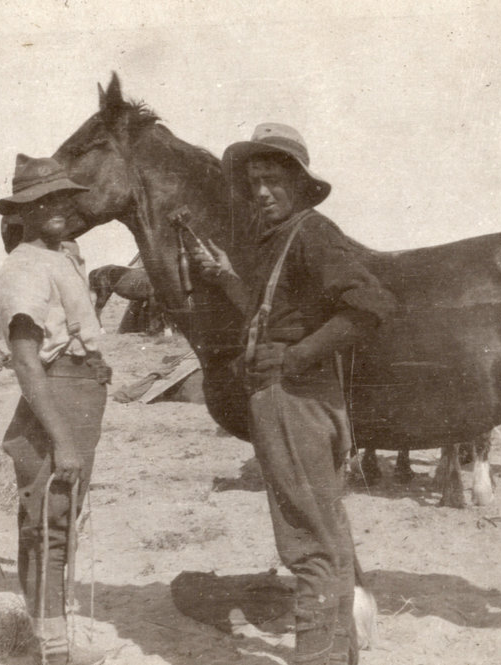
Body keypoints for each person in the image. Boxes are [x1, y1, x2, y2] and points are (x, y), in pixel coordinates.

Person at [194, 123, 396, 665]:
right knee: (326, 534)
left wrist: (295, 357)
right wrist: (224, 277)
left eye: (275, 180)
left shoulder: (312, 233)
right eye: (254, 181)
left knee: (307, 545)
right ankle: (340, 654)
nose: (261, 191)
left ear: (301, 184)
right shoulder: (280, 239)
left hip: (294, 398)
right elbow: (273, 315)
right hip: (297, 397)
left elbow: (370, 304)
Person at [0, 154, 112, 665]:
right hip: (57, 399)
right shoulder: (23, 268)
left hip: (78, 395)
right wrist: (62, 438)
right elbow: (25, 362)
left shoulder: (59, 256)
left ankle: (54, 643)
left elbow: (71, 327)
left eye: (63, 197)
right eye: (43, 200)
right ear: (23, 209)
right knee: (48, 525)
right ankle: (52, 653)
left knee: (62, 519)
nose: (58, 207)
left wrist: (96, 360)